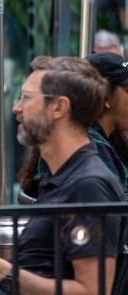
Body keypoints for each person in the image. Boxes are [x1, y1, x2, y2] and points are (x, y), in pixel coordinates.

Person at [0, 56, 124, 295]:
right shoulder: (62, 177)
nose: (16, 107)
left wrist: (2, 271)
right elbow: (27, 282)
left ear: (59, 107)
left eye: (27, 97)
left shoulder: (88, 185)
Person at [19, 52, 128, 199]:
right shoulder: (91, 159)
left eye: (28, 98)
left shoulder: (108, 142)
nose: (18, 108)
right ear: (105, 96)